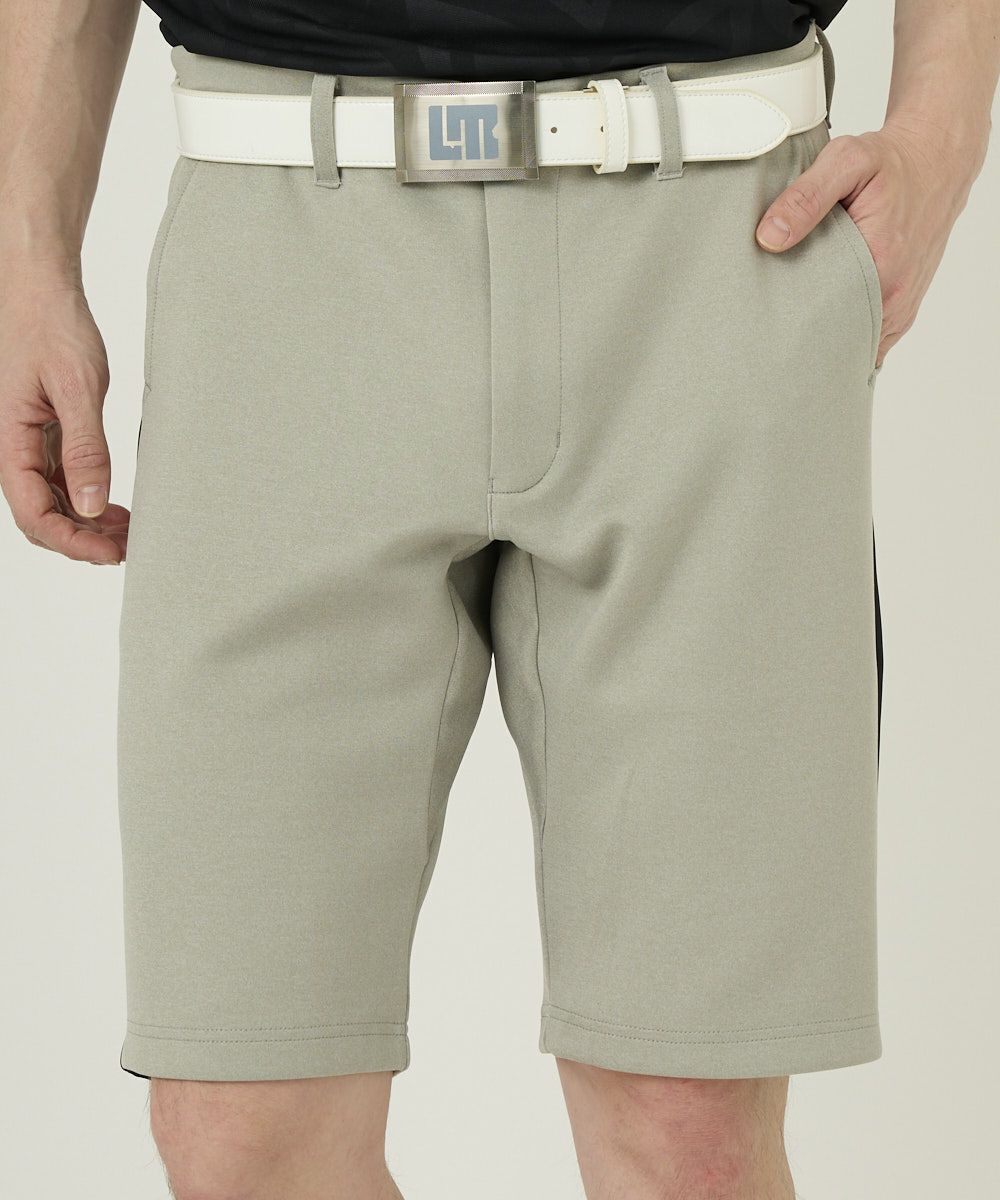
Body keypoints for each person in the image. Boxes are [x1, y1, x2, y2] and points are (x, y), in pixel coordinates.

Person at [1, 2, 997, 1197]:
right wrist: (26, 251)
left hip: (720, 232)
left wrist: (940, 134)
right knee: (241, 1123)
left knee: (688, 1124)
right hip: (279, 248)